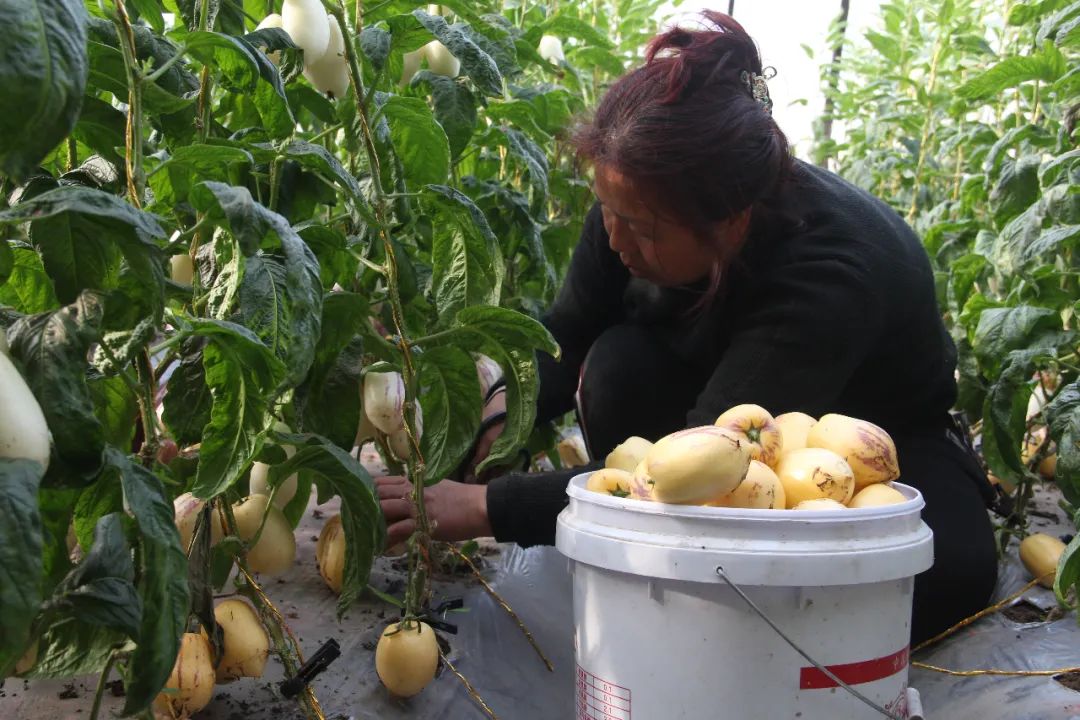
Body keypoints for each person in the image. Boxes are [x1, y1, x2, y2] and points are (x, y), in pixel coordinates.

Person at [376, 11, 998, 644]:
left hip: (875, 445)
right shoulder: (634, 200)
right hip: (717, 401)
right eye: (606, 209)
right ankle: (670, 562)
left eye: (641, 229)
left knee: (947, 571)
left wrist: (486, 508)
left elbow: (710, 454)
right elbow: (568, 334)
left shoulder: (832, 271)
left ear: (729, 223)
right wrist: (500, 417)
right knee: (617, 364)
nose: (614, 237)